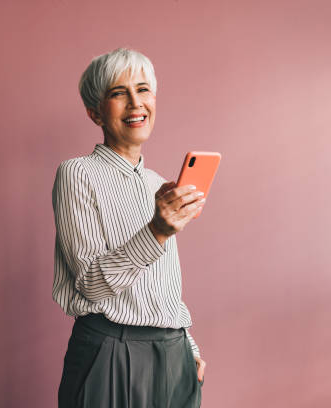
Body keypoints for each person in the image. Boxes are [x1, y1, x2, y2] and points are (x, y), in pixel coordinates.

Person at [52, 48, 206, 408]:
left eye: (143, 89)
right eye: (119, 93)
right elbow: (90, 283)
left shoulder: (158, 184)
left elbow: (162, 282)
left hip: (174, 354)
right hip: (110, 349)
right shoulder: (77, 174)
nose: (136, 103)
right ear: (95, 112)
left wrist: (190, 346)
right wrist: (156, 232)